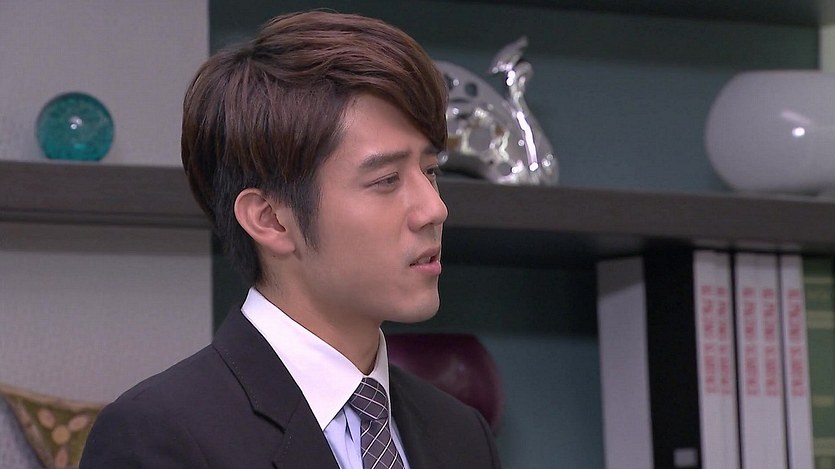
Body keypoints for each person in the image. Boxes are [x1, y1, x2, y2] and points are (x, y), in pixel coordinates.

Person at [80, 10, 502, 469]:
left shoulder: (461, 434)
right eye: (386, 180)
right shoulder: (157, 435)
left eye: (430, 171)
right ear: (270, 220)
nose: (434, 209)